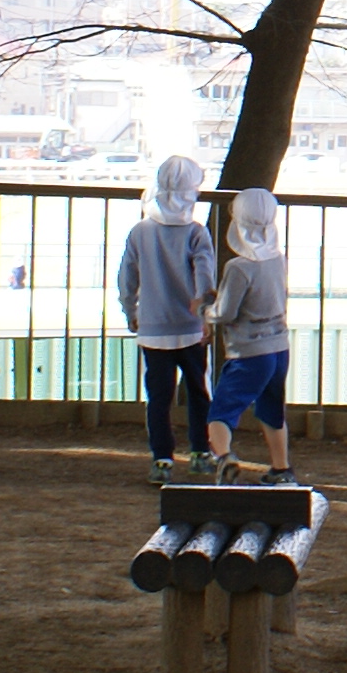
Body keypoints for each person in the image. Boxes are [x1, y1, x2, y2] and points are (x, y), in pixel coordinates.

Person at [114, 155, 219, 483]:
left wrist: (130, 310)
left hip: (152, 328)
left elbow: (126, 277)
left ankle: (162, 460)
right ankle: (201, 453)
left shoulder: (140, 232)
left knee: (158, 398)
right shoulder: (196, 233)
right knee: (198, 391)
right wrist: (206, 315)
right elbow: (205, 276)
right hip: (190, 329)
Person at [203, 187, 293, 481]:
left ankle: (224, 457)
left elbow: (226, 312)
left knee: (222, 412)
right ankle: (281, 468)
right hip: (279, 346)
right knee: (272, 410)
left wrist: (206, 310)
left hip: (249, 351)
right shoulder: (278, 259)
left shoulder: (238, 267)